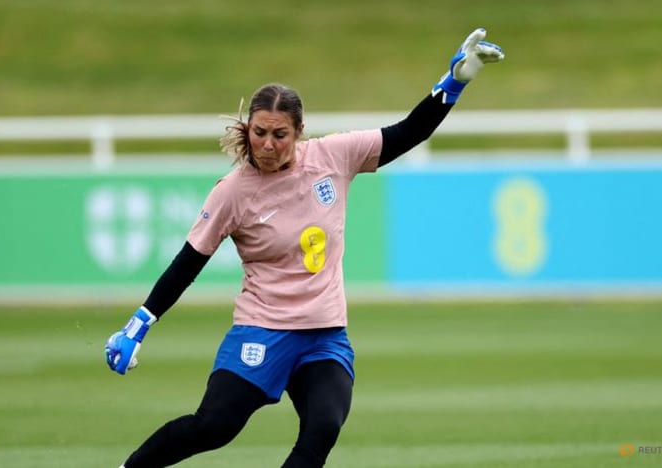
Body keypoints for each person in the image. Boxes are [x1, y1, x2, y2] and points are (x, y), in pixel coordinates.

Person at [105, 28, 504, 468]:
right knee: (214, 427)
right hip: (262, 329)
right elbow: (188, 263)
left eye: (280, 135)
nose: (267, 145)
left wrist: (456, 80)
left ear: (299, 132)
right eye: (259, 133)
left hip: (324, 335)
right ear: (248, 129)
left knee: (323, 428)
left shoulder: (334, 156)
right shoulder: (232, 193)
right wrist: (138, 325)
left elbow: (409, 132)